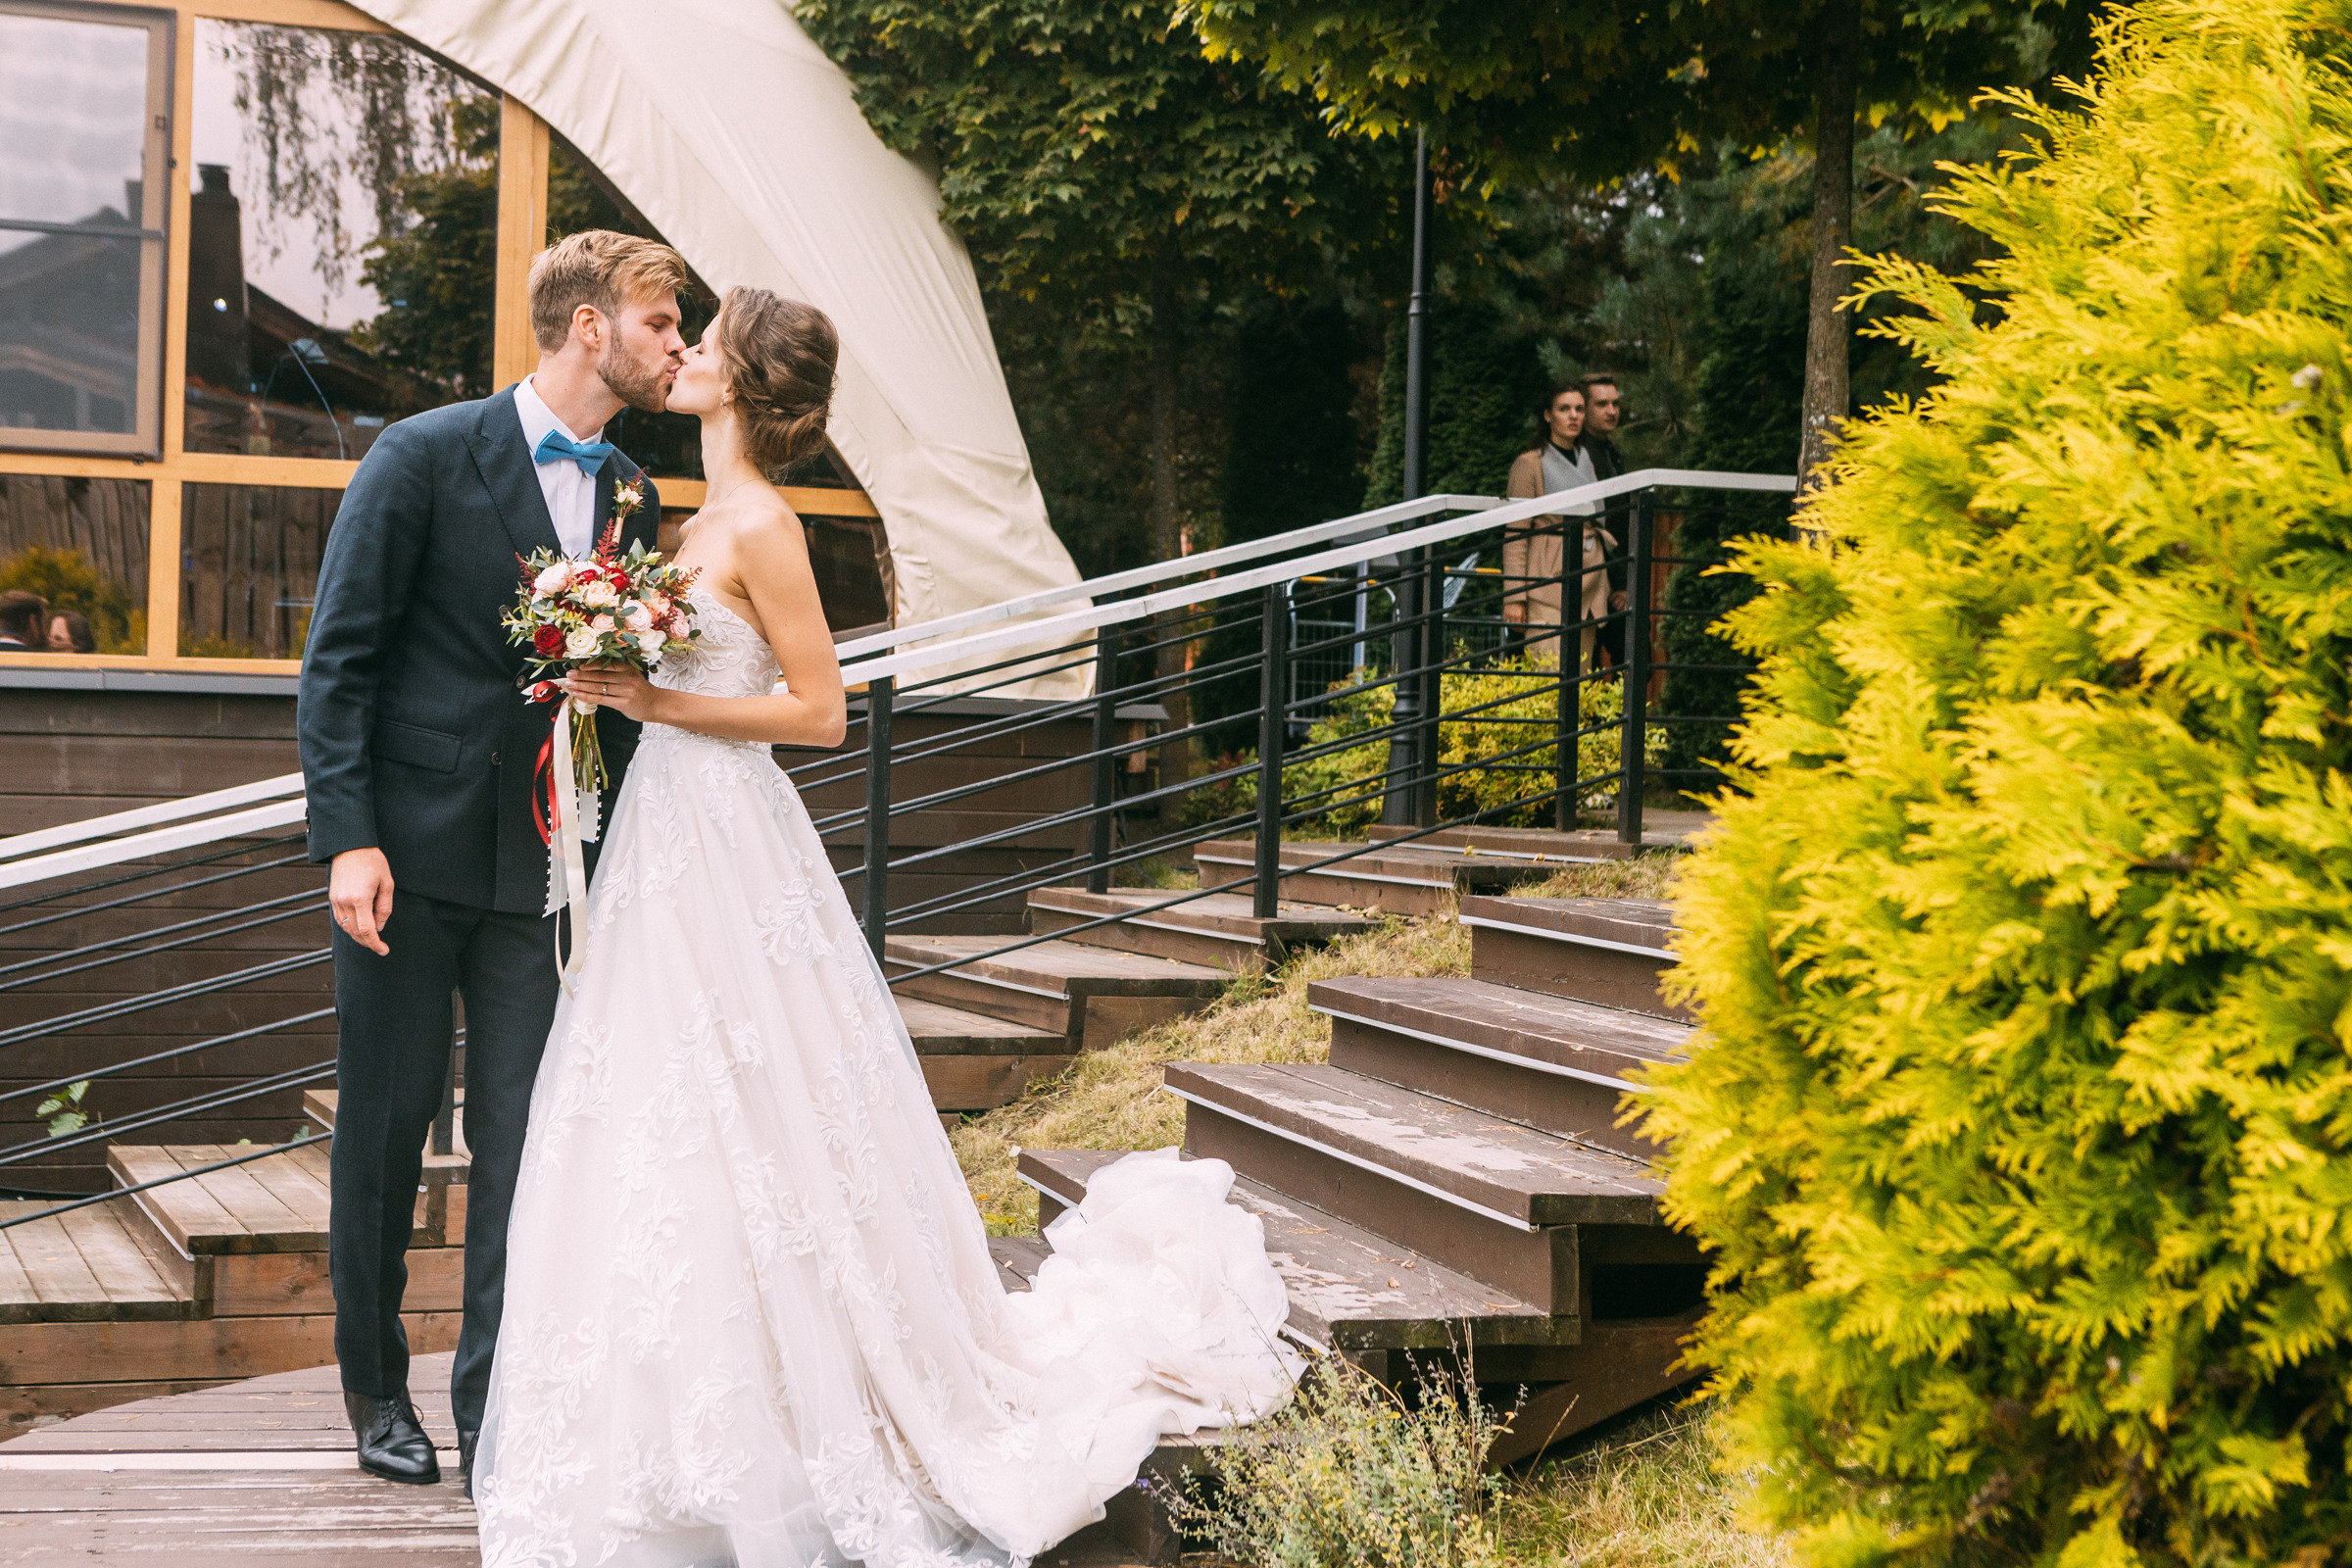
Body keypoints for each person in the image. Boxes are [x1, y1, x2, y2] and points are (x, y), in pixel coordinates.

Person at [473, 287, 1300, 1566]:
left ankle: (810, 1419)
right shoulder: (691, 517)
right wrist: (603, 692)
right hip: (661, 844)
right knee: (664, 1118)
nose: (683, 352)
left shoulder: (765, 526)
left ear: (744, 379)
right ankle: (682, 1419)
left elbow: (821, 716)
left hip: (728, 837)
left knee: (751, 1107)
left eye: (706, 340)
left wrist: (656, 701)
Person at [297, 229, 687, 1492]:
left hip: (545, 873)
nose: (676, 343)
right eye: (660, 321)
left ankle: (494, 1406)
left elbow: (623, 693)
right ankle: (373, 1392)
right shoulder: (419, 453)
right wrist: (348, 837)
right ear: (590, 326)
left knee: (526, 1146)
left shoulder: (633, 489)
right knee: (387, 1137)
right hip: (403, 867)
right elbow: (339, 659)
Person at [1502, 383, 1618, 670]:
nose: (1573, 416)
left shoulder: (1586, 460)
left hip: (1588, 586)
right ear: (1548, 415)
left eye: (1579, 409)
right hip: (1545, 586)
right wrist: (1515, 597)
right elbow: (1515, 534)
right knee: (1549, 677)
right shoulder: (1529, 464)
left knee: (1578, 685)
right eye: (1564, 409)